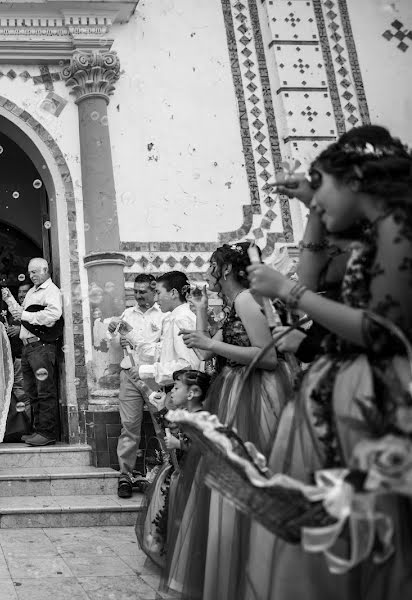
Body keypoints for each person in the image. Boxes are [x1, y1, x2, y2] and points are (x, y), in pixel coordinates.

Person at [243, 126, 412, 600]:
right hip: (335, 387)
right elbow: (314, 275)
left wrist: (287, 292)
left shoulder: (399, 226)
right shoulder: (367, 230)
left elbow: (382, 331)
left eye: (324, 186)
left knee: (366, 528)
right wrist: (312, 208)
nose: (316, 198)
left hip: (377, 393)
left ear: (356, 179)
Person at [179, 242, 294, 599]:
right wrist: (200, 311)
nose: (209, 271)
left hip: (255, 392)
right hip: (233, 388)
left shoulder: (245, 299)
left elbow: (269, 356)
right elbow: (201, 349)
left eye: (212, 265)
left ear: (225, 269)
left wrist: (213, 346)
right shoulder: (233, 304)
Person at [136, 369, 211, 568]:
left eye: (176, 388)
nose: (171, 393)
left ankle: (184, 560)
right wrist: (161, 409)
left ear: (191, 393)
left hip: (192, 477)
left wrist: (179, 444)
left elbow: (204, 446)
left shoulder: (201, 416)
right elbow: (170, 428)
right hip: (176, 474)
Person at [106, 274, 164, 498]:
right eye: (136, 292)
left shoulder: (163, 315)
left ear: (153, 291)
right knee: (129, 425)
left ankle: (165, 471)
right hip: (129, 374)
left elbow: (161, 346)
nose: (139, 296)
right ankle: (126, 474)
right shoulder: (127, 314)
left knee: (161, 423)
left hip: (155, 376)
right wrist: (116, 338)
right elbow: (113, 342)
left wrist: (133, 337)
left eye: (143, 292)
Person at [2, 257, 63, 446]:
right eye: (29, 272)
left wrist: (26, 315)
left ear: (45, 270)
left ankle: (47, 433)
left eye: (35, 272)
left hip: (41, 346)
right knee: (32, 392)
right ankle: (38, 430)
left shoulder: (51, 291)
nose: (31, 275)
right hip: (28, 346)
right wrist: (9, 299)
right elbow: (22, 316)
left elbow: (54, 314)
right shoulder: (31, 292)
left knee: (45, 391)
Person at [2, 282, 32, 442]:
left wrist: (20, 330)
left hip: (23, 357)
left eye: (24, 291)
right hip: (14, 358)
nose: (21, 294)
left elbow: (40, 328)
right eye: (19, 291)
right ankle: (21, 427)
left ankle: (27, 427)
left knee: (23, 393)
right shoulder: (15, 311)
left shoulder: (32, 309)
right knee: (15, 392)